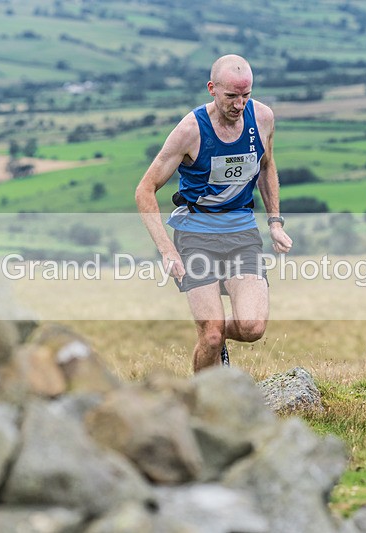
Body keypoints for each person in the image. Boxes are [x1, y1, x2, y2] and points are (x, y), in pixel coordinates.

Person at [135, 55, 292, 373]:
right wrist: (167, 251)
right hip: (195, 236)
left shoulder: (262, 118)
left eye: (246, 95)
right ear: (212, 89)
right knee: (210, 334)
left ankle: (220, 337)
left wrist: (274, 222)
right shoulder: (190, 130)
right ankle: (202, 407)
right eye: (231, 96)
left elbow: (266, 166)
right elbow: (145, 190)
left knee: (252, 328)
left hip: (242, 234)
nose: (239, 105)